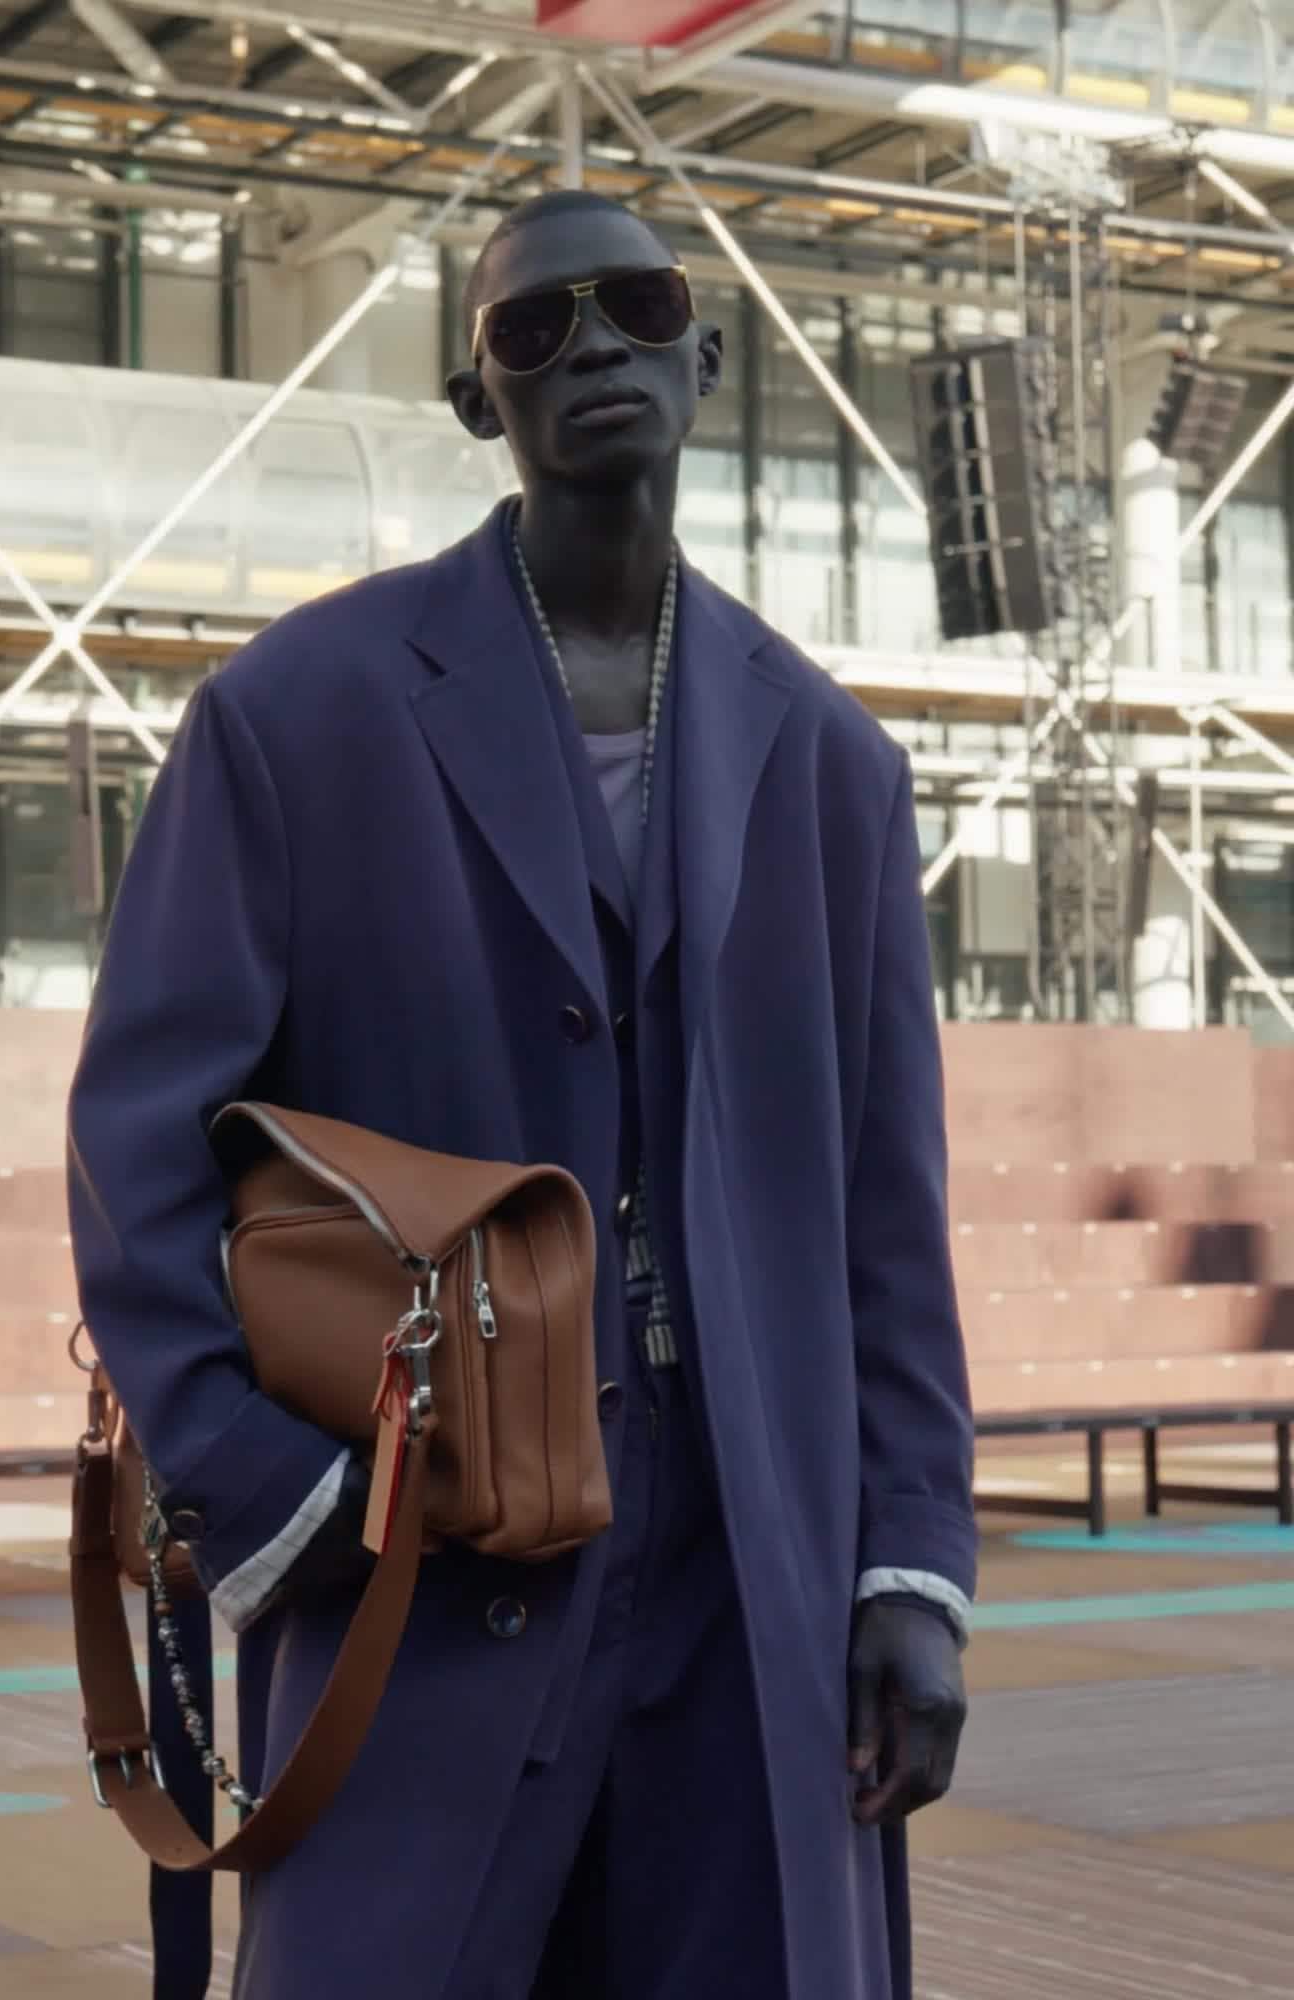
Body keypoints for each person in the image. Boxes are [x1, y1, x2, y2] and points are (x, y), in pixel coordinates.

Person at [67, 188, 975, 2000]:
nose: (595, 349)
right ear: (480, 400)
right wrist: (270, 1489)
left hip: (746, 1565)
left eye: (638, 305)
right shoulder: (295, 714)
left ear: (707, 358)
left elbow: (889, 1215)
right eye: (534, 329)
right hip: (420, 1540)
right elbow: (136, 1140)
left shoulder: (836, 768)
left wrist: (909, 1570)